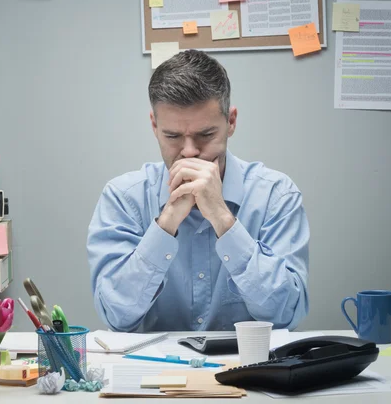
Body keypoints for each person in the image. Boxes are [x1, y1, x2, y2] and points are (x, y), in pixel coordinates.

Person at [87, 50, 310, 333]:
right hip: (154, 372)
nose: (190, 151)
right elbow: (115, 316)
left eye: (206, 135)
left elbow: (286, 314)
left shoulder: (277, 196)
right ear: (154, 125)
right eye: (173, 136)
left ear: (231, 122)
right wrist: (166, 224)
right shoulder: (123, 198)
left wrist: (223, 219)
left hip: (249, 371)